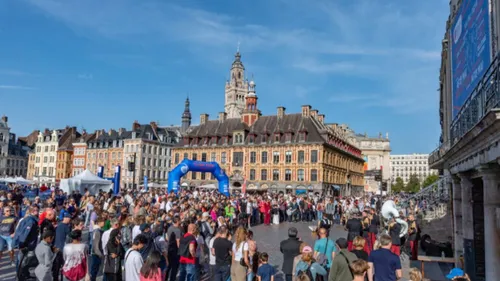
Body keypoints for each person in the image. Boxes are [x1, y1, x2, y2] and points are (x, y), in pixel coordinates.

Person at [90, 215, 106, 281]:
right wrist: (100, 254)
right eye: (103, 221)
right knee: (94, 270)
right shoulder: (97, 231)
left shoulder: (97, 230)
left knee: (95, 270)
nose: (104, 223)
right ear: (99, 222)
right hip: (96, 254)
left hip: (96, 253)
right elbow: (96, 245)